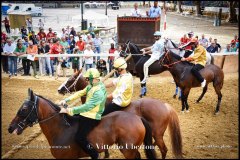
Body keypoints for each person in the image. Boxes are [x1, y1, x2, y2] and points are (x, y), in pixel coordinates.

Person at [59, 68, 107, 159]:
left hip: (92, 117)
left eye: (87, 79)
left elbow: (87, 106)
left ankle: (95, 155)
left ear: (93, 78)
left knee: (79, 138)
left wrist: (69, 110)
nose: (86, 81)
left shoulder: (99, 91)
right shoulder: (92, 85)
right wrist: (66, 100)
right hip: (86, 113)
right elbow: (80, 93)